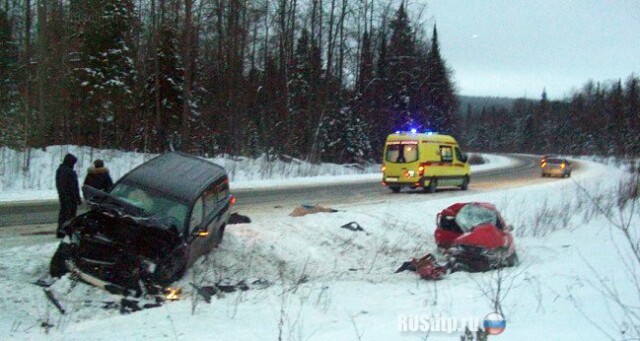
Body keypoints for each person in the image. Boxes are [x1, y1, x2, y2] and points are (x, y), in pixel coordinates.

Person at [56, 153, 82, 238]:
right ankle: (67, 231)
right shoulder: (70, 172)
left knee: (63, 214)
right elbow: (74, 187)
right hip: (70, 197)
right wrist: (77, 197)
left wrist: (62, 194)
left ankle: (61, 230)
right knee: (70, 215)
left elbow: (60, 185)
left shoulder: (60, 170)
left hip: (63, 196)